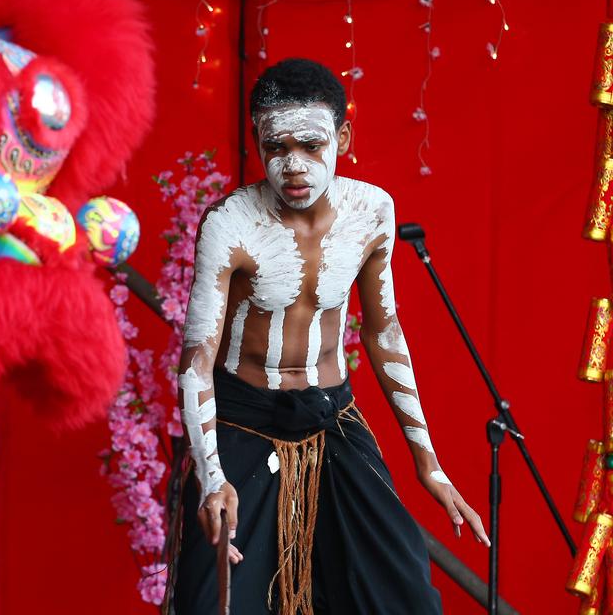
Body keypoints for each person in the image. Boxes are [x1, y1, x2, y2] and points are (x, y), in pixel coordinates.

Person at [170, 58, 489, 615]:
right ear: (257, 141)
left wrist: (428, 463)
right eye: (276, 147)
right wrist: (213, 478)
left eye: (312, 146)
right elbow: (196, 362)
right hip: (243, 421)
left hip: (331, 416)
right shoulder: (230, 221)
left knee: (401, 589)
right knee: (216, 600)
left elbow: (383, 332)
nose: (293, 165)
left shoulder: (372, 211)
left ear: (342, 136)